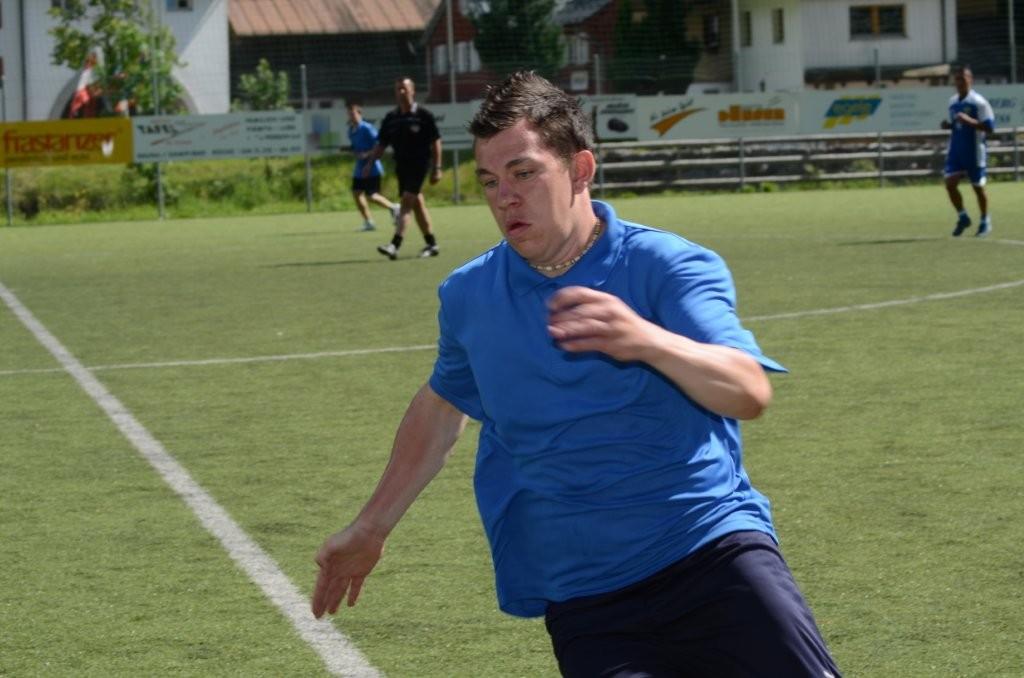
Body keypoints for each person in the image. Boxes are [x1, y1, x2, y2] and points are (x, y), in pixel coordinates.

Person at [312, 72, 841, 678]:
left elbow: (747, 389)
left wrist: (646, 340)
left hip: (713, 557)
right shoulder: (469, 295)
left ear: (581, 169)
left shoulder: (665, 265)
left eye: (524, 173)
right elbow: (442, 406)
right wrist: (371, 526)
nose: (504, 198)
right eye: (489, 181)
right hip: (587, 599)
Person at [363, 77, 443, 259]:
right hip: (402, 167)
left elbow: (436, 142)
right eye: (398, 89)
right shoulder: (391, 118)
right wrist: (370, 163)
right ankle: (432, 244)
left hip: (420, 165)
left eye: (404, 89)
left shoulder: (423, 115)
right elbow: (381, 144)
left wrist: (437, 168)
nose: (401, 92)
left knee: (406, 202)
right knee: (417, 203)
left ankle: (394, 245)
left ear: (412, 91)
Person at [941, 66, 995, 237]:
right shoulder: (953, 102)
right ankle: (963, 217)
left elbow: (990, 128)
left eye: (962, 79)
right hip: (956, 150)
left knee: (978, 187)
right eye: (957, 79)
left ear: (970, 80)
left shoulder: (979, 102)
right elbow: (957, 125)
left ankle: (985, 220)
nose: (959, 83)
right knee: (950, 184)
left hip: (974, 151)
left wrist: (969, 121)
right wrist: (948, 126)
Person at [346, 102, 400, 232]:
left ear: (360, 114)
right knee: (356, 193)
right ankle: (369, 222)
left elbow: (379, 145)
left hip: (372, 167)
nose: (351, 116)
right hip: (359, 169)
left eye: (353, 114)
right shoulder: (351, 131)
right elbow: (355, 148)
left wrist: (367, 154)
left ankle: (394, 207)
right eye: (349, 114)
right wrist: (353, 151)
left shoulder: (367, 128)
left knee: (371, 196)